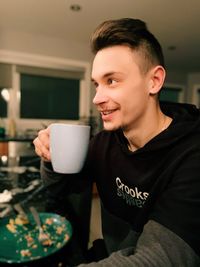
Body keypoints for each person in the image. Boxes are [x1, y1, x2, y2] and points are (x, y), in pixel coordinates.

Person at [33, 18, 200, 266]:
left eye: (111, 81)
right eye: (96, 84)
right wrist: (50, 157)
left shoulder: (192, 155)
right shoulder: (104, 143)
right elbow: (58, 189)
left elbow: (162, 257)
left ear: (154, 81)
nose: (97, 98)